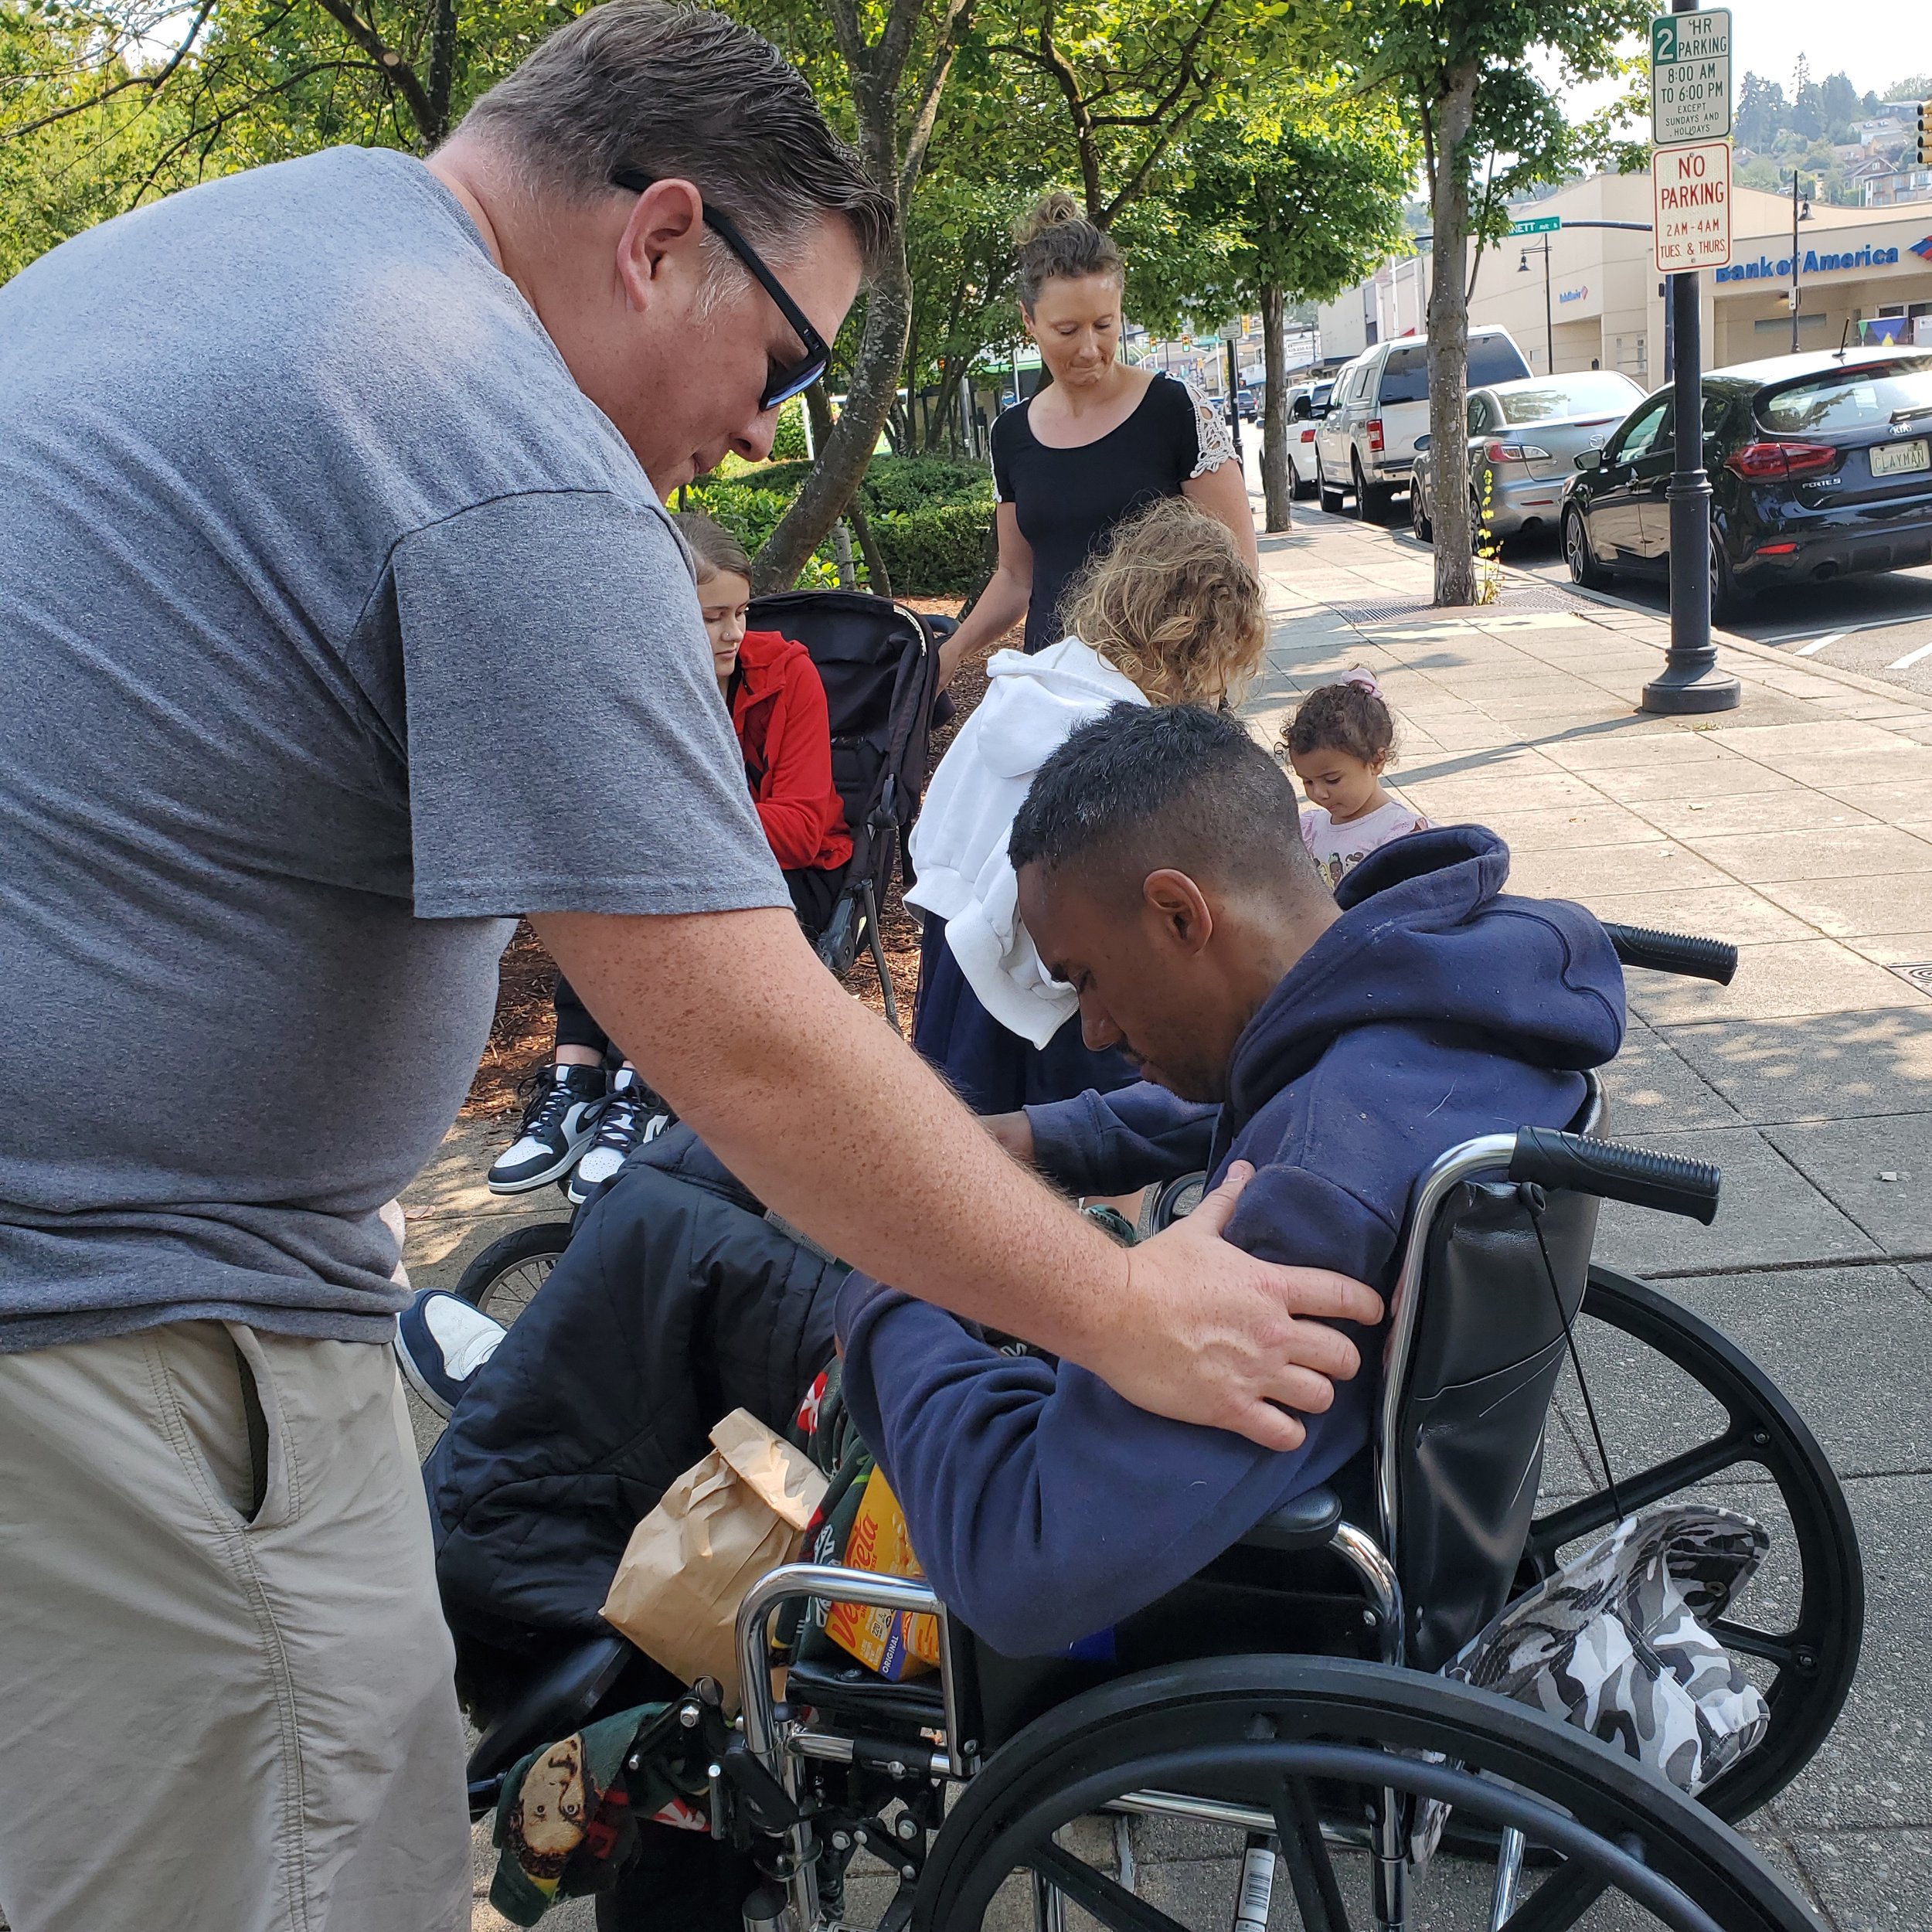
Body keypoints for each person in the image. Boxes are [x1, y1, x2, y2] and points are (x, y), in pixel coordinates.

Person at [0, 6, 1382, 1927]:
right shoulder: (488, 433)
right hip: (117, 1318)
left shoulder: (245, 252)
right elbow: (747, 1042)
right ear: (659, 237)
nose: (757, 429)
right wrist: (1131, 1317)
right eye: (784, 357)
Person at [842, 704, 1624, 1654]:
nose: (1088, 1030)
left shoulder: (1314, 1194)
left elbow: (1022, 1560)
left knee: (708, 1250)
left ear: (1181, 912)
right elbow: (1239, 1103)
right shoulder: (1425, 1004)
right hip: (1404, 1509)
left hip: (1247, 1596)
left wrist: (882, 1269)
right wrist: (1016, 1140)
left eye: (1084, 976)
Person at [488, 512, 851, 1202]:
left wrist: (668, 838)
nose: (734, 633)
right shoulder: (632, 684)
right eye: (713, 617)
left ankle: (644, 1084)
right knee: (604, 881)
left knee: (654, 881)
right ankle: (577, 1081)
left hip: (793, 877)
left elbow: (803, 826)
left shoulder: (786, 673)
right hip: (674, 869)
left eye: (741, 612)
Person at [907, 497, 1264, 1114]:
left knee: (970, 1146)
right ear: (1205, 645)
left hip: (956, 954)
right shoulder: (1121, 747)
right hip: (1054, 991)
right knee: (1100, 1142)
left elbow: (937, 826)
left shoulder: (1028, 682)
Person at [933, 193, 1260, 682]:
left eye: (1104, 325)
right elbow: (1016, 578)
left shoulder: (1176, 410)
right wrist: (951, 652)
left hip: (1160, 699)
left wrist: (1204, 694)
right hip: (1053, 694)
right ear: (1029, 322)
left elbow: (1239, 578)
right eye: (1067, 330)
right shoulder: (1011, 434)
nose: (1089, 349)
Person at [1284, 668, 1430, 891]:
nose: (1318, 794)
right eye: (1308, 782)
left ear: (1376, 761)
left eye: (1332, 780)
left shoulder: (1399, 834)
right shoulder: (1312, 830)